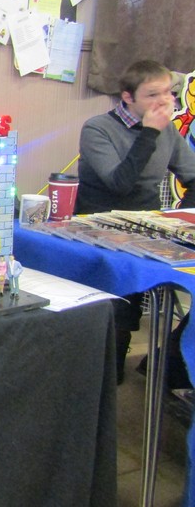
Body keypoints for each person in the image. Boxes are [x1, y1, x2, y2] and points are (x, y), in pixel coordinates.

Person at [75, 59, 195, 384]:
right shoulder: (98, 128)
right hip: (98, 227)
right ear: (128, 97)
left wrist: (178, 222)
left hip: (148, 227)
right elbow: (120, 184)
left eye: (168, 93)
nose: (164, 102)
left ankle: (172, 364)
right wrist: (150, 132)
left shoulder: (167, 131)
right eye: (152, 95)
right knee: (115, 308)